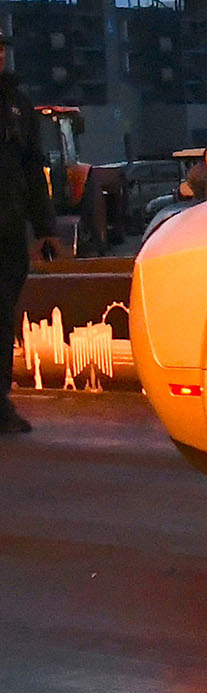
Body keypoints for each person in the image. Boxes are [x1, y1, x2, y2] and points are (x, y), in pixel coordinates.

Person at [0, 37, 62, 433]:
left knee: (3, 316)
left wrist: (45, 230)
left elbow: (34, 170)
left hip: (8, 229)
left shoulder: (18, 107)